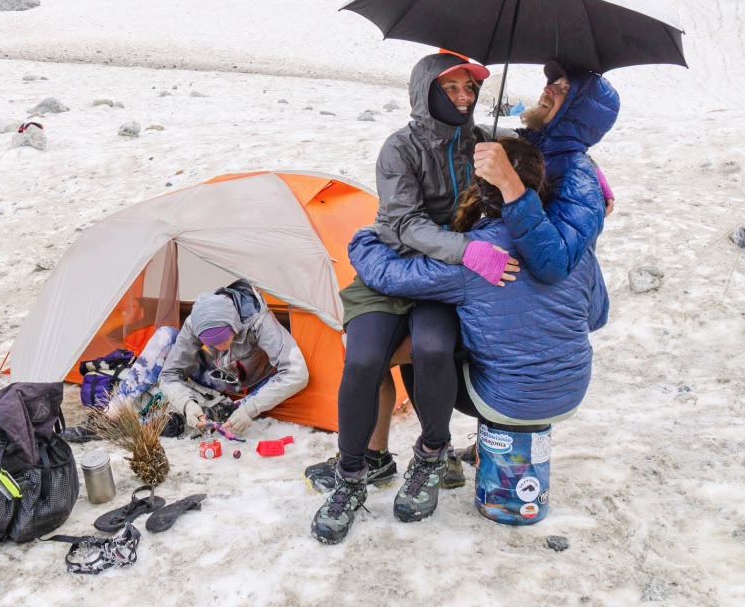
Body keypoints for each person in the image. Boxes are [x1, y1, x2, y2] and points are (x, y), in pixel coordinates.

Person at [310, 53, 517, 545]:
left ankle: (430, 456)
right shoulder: (398, 149)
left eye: (471, 88)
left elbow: (535, 160)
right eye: (452, 89)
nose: (465, 97)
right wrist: (466, 249)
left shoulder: (482, 146)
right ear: (426, 92)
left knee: (431, 349)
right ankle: (352, 476)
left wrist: (593, 180)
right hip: (395, 268)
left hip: (442, 282)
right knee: (362, 360)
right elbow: (402, 222)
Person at [348, 135, 608, 439]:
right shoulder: (573, 245)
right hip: (570, 395)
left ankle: (431, 451)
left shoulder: (476, 254)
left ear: (480, 188)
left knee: (425, 355)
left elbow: (391, 276)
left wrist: (363, 241)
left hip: (504, 402)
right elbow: (596, 317)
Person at [158, 279, 308, 436]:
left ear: (234, 324)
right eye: (211, 344)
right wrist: (186, 404)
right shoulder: (196, 322)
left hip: (256, 384)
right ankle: (213, 407)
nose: (219, 347)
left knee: (288, 376)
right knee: (164, 337)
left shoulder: (259, 321)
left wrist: (250, 408)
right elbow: (169, 374)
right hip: (222, 377)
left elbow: (296, 372)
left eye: (222, 341)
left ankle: (224, 407)